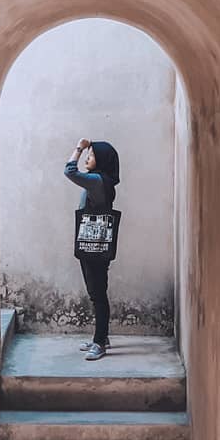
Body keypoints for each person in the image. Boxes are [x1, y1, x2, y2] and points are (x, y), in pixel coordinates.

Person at [64, 138, 120, 361]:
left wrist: (78, 147)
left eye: (92, 154)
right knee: (97, 292)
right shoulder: (103, 181)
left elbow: (69, 171)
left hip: (93, 246)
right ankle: (101, 336)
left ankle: (99, 342)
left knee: (97, 295)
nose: (88, 158)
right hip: (94, 244)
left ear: (102, 161)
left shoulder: (97, 180)